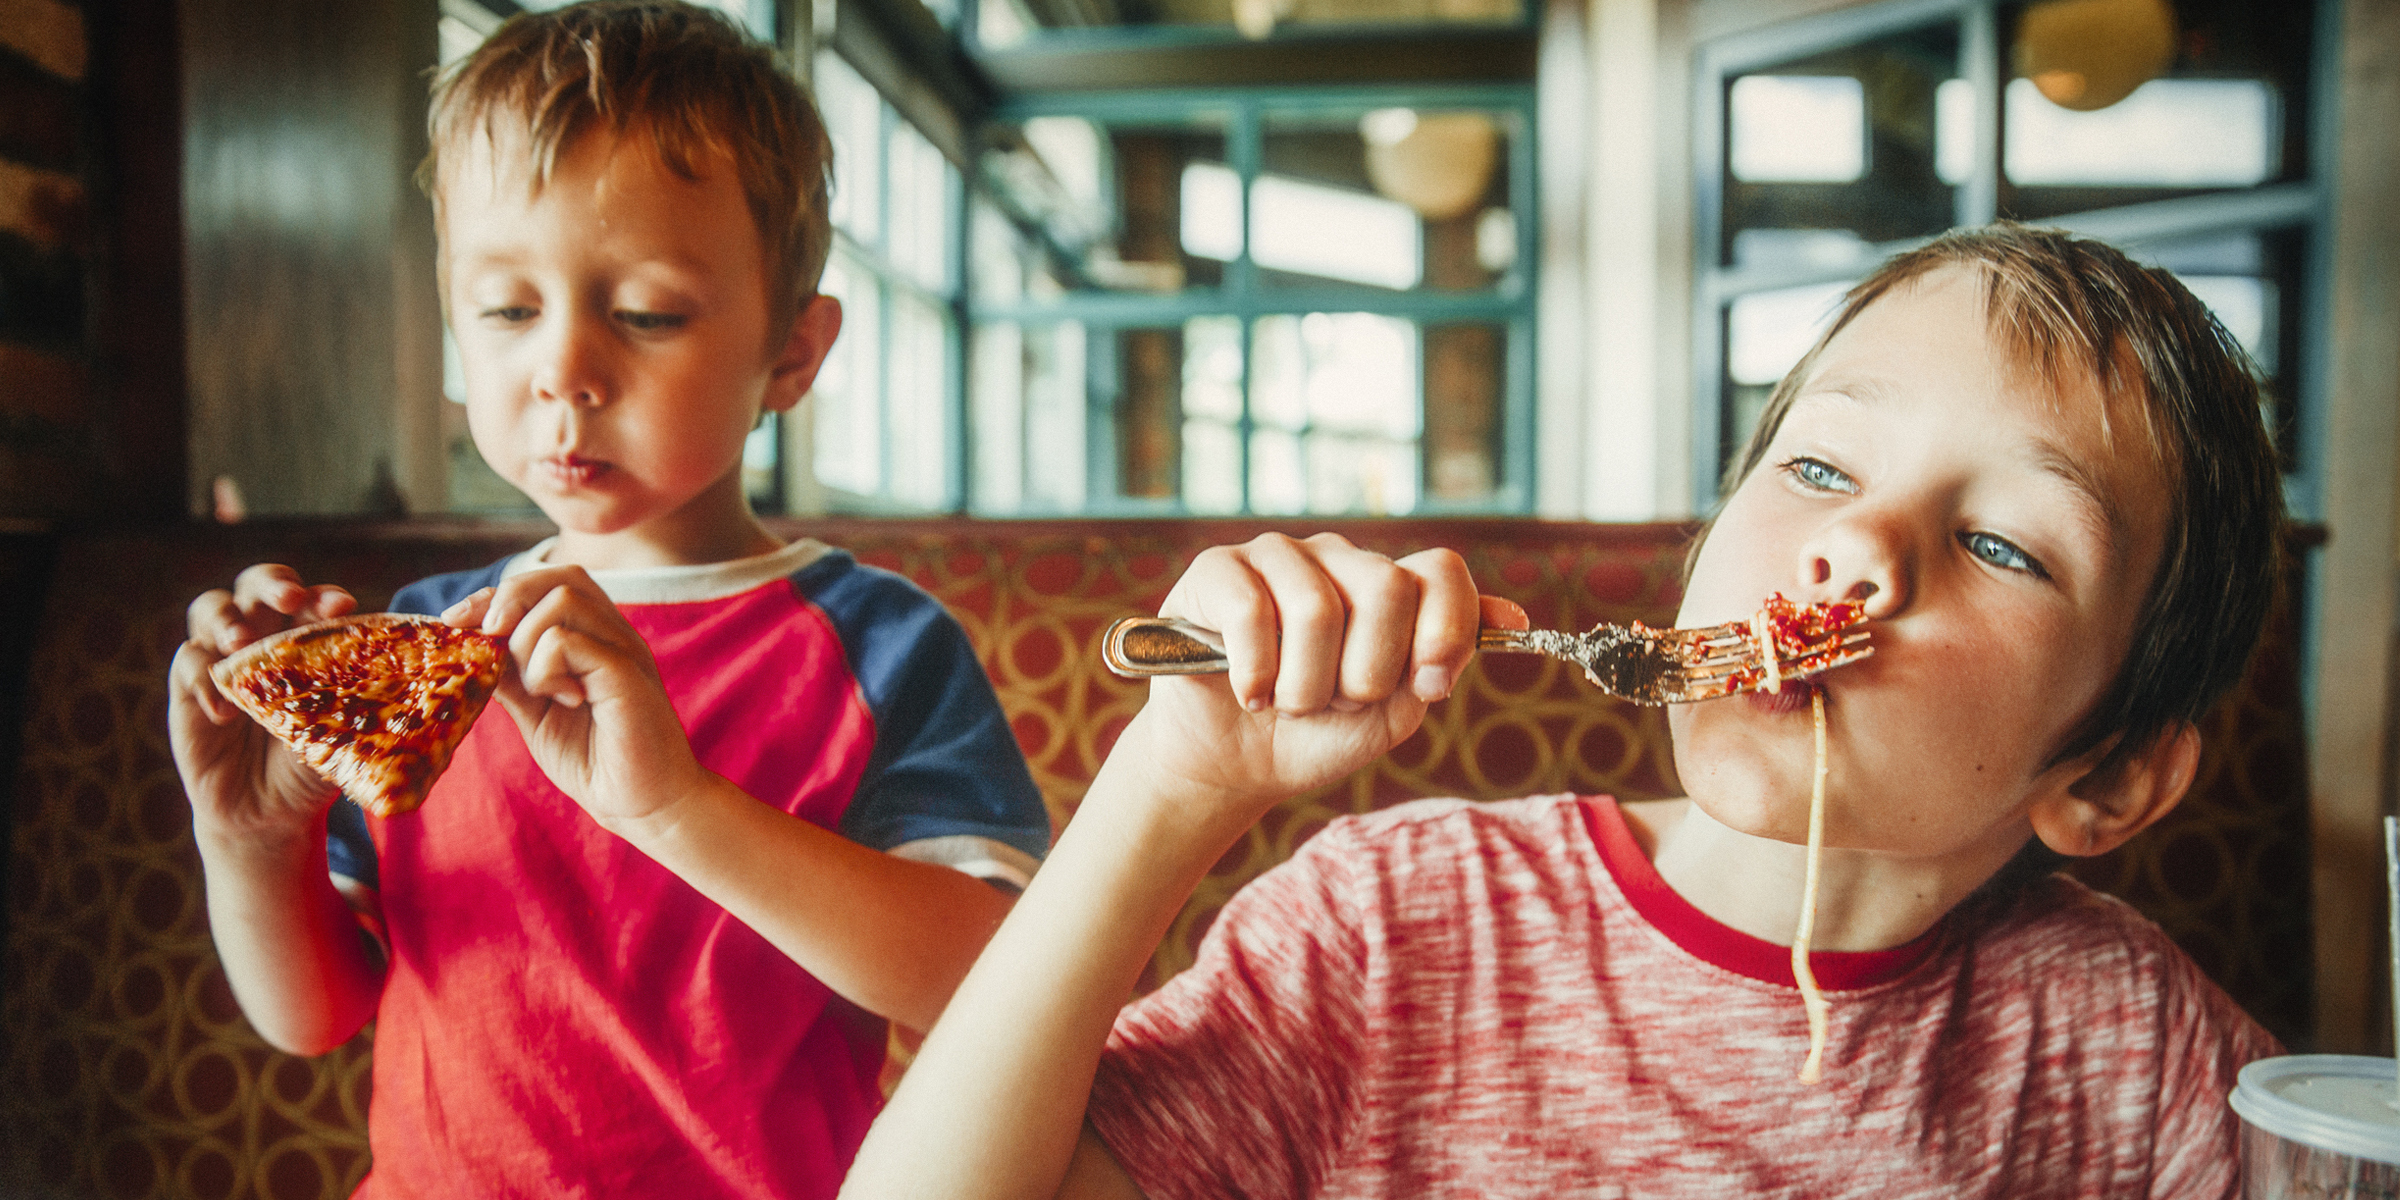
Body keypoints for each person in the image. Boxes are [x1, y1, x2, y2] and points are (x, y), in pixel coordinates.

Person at [839, 223, 2287, 1199]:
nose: (1856, 546)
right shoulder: (1397, 925)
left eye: (2001, 545)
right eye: (1819, 470)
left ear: (2108, 777)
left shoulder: (2132, 1046)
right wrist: (1171, 787)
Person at [164, 4, 1050, 1195]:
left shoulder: (880, 647)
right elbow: (314, 1015)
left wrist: (678, 808)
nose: (564, 371)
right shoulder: (420, 644)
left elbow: (999, 986)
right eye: (508, 310)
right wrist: (247, 840)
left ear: (792, 353)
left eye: (646, 314)